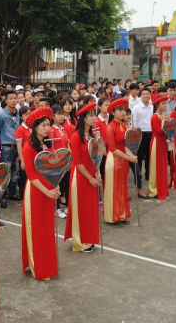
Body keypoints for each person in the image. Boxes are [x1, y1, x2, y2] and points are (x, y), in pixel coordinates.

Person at [21, 107, 60, 280]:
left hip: (49, 189)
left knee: (47, 228)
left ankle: (47, 264)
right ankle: (39, 266)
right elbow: (31, 174)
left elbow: (52, 167)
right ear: (35, 126)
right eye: (43, 125)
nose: (47, 128)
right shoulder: (29, 147)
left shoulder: (46, 144)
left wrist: (55, 186)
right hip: (37, 192)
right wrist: (47, 191)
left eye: (48, 125)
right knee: (37, 228)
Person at [64, 103, 102, 253]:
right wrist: (90, 178)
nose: (94, 118)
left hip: (92, 175)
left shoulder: (92, 135)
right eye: (91, 115)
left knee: (90, 210)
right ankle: (80, 242)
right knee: (81, 209)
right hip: (80, 178)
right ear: (83, 118)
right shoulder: (75, 137)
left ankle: (89, 238)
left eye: (95, 114)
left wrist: (97, 173)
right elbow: (77, 162)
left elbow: (96, 156)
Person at [104, 98, 137, 225]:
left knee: (122, 186)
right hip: (114, 160)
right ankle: (112, 216)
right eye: (119, 110)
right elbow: (112, 149)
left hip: (123, 159)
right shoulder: (110, 127)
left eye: (124, 110)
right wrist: (129, 158)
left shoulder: (124, 126)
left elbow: (128, 143)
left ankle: (121, 214)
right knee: (114, 188)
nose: (123, 112)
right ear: (113, 112)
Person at [0, 90, 20, 206]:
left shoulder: (19, 113)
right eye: (11, 98)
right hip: (6, 146)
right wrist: (1, 145)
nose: (14, 100)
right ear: (6, 100)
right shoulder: (0, 115)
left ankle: (12, 193)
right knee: (5, 171)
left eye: (15, 98)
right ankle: (3, 196)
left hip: (18, 146)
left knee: (16, 170)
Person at [130, 89, 153, 197]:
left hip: (151, 133)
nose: (146, 96)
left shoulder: (153, 107)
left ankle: (148, 174)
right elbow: (134, 122)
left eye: (147, 94)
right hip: (140, 134)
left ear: (150, 95)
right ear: (141, 95)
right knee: (139, 156)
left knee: (150, 156)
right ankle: (137, 176)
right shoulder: (136, 108)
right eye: (144, 94)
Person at [148, 95, 171, 200]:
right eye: (163, 103)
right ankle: (154, 189)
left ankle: (161, 187)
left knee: (162, 165)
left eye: (166, 103)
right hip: (156, 142)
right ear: (157, 105)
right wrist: (165, 123)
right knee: (155, 166)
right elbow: (159, 132)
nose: (165, 105)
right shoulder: (154, 117)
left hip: (162, 142)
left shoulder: (163, 116)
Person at [50, 106, 69, 218]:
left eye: (62, 114)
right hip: (56, 163)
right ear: (53, 116)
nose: (61, 116)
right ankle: (56, 208)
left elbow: (67, 144)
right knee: (57, 185)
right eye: (58, 114)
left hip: (65, 161)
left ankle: (66, 207)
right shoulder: (51, 130)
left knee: (65, 184)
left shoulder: (63, 128)